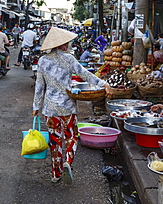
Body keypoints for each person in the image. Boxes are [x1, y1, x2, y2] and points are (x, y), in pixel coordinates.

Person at [32, 27, 113, 184]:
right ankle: (68, 160)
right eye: (67, 43)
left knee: (55, 140)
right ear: (62, 45)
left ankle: (56, 173)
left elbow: (39, 86)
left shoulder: (42, 61)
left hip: (50, 108)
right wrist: (104, 84)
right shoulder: (69, 59)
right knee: (71, 136)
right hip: (67, 107)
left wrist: (35, 107)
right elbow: (85, 74)